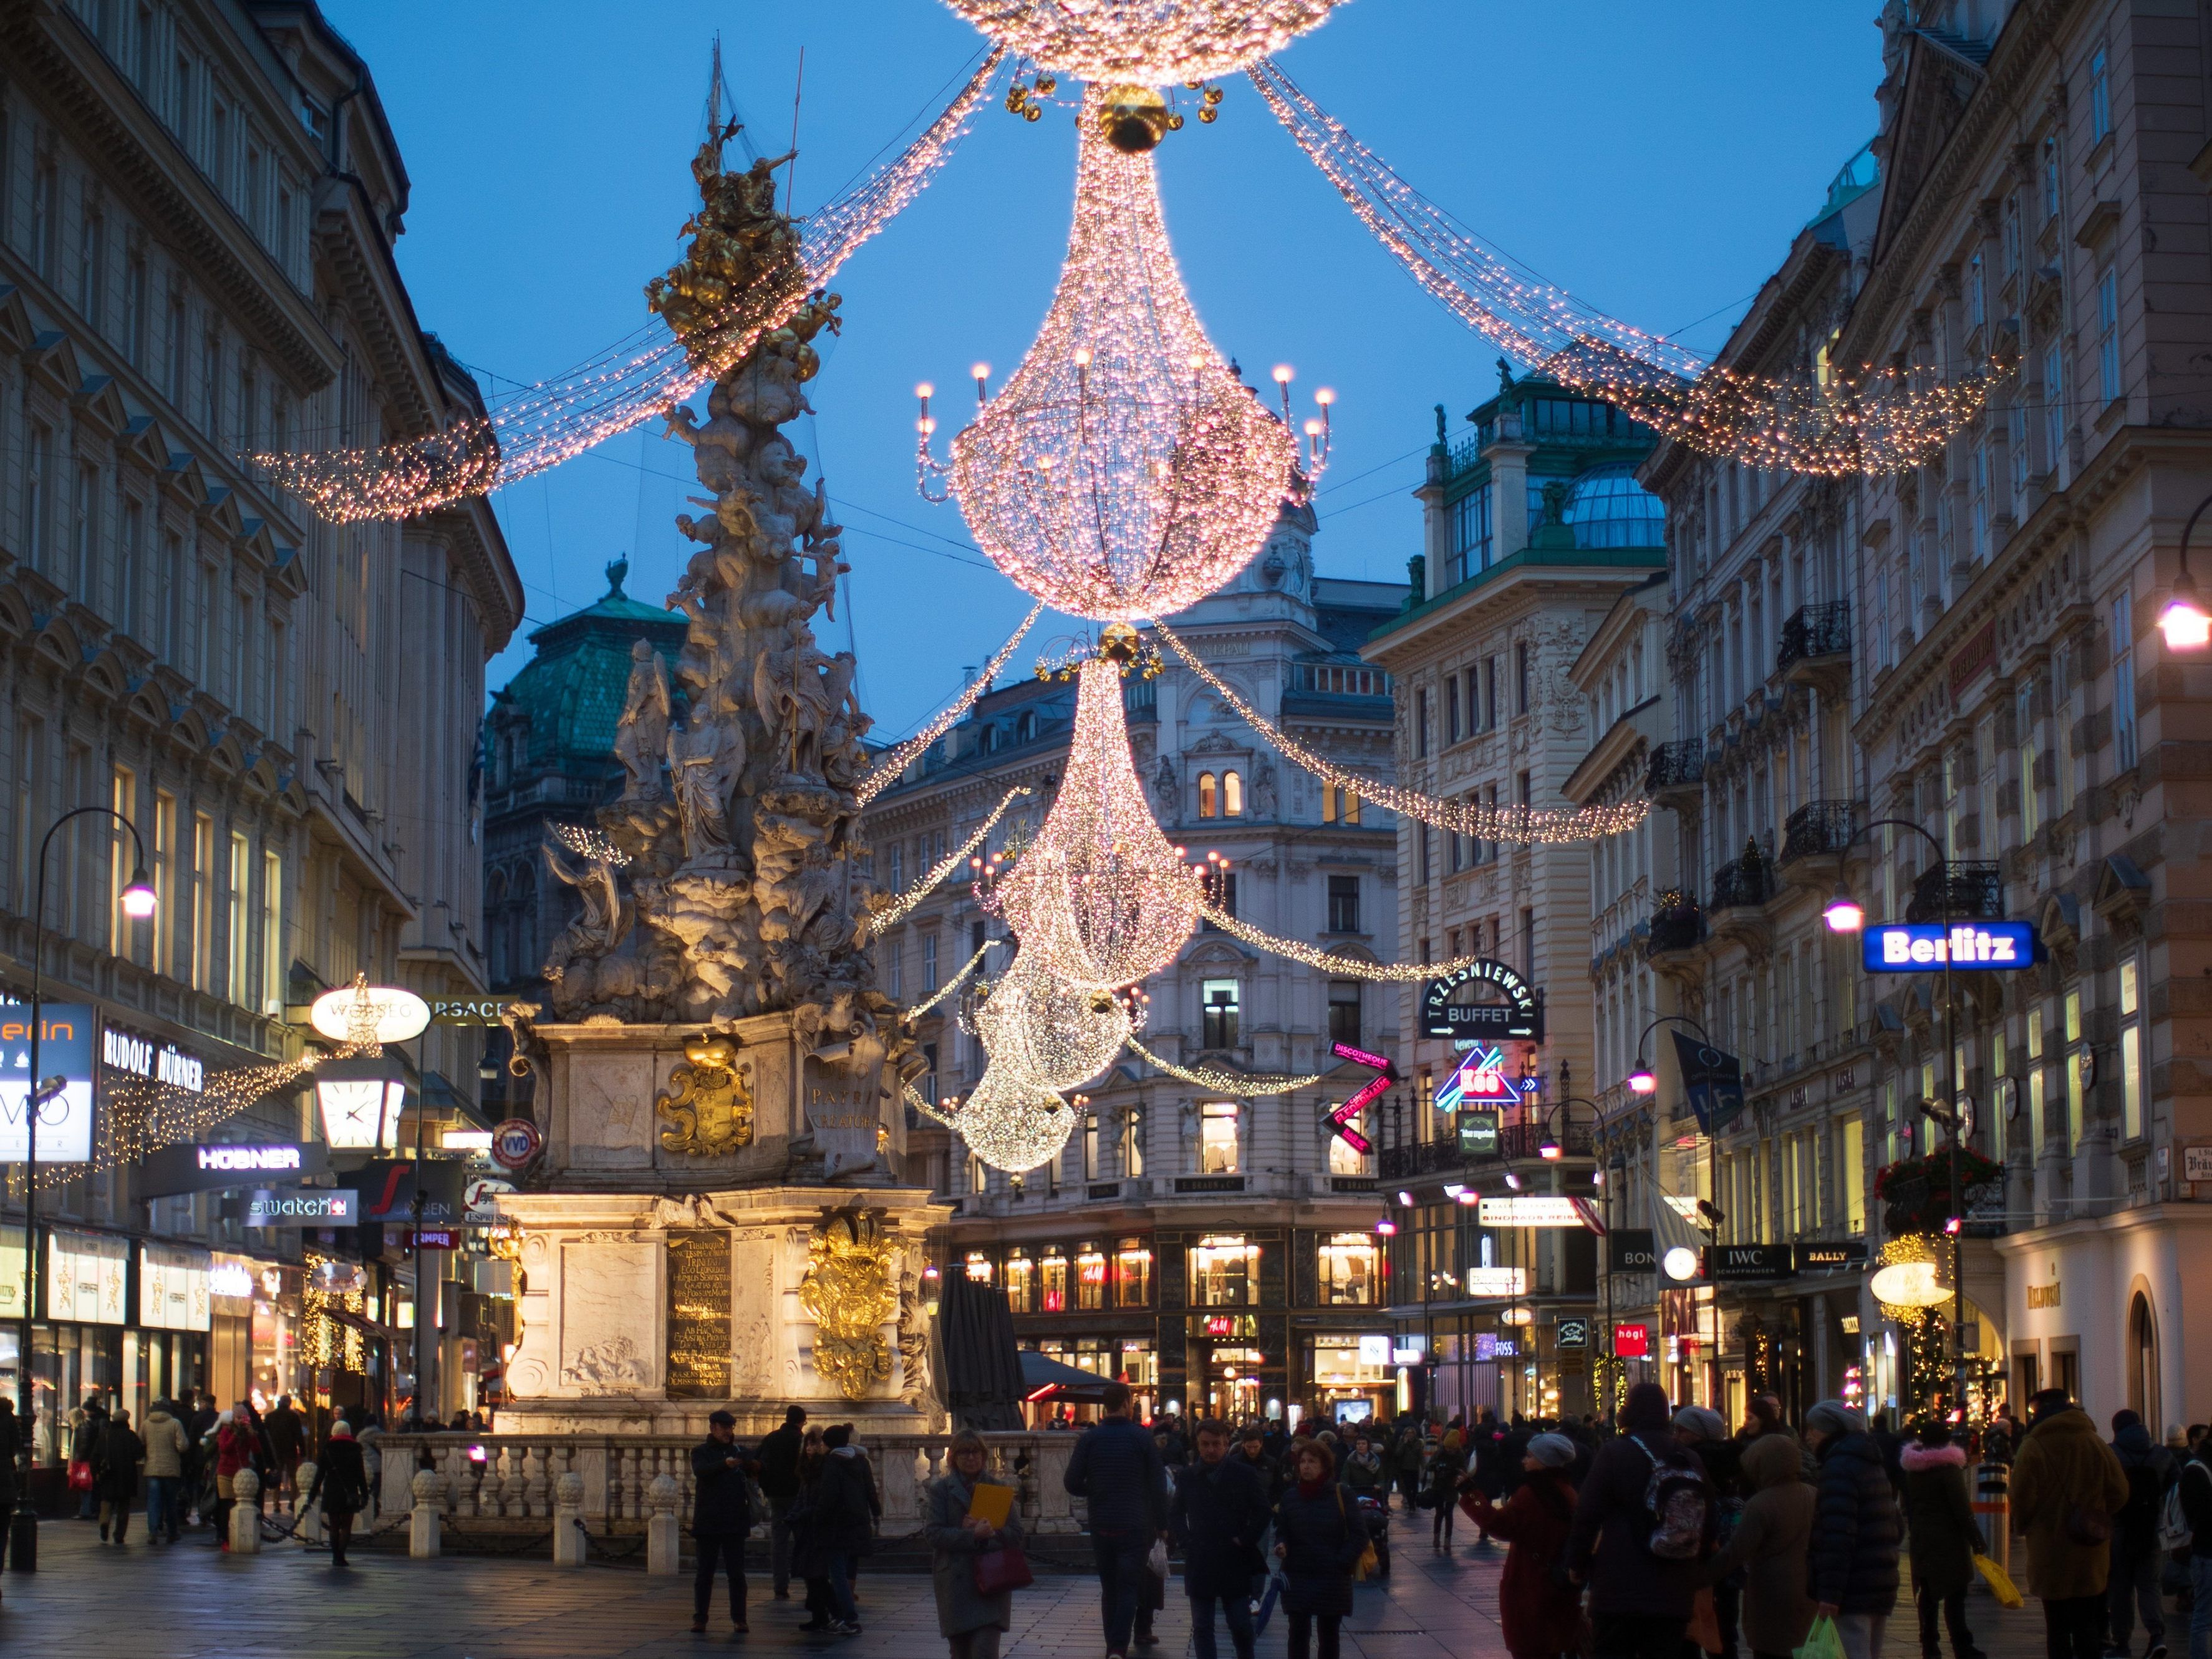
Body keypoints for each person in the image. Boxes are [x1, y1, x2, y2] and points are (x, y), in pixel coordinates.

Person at [1565, 1381, 1711, 1659]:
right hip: (1674, 1589)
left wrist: (1576, 1562)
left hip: (1620, 1588)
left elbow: (1587, 1514)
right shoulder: (1690, 1458)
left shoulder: (1615, 1453)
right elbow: (1707, 1519)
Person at [2013, 1389, 2131, 1659]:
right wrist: (2098, 1513)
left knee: (2056, 1626)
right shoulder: (2094, 1442)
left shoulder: (2033, 1445)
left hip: (2049, 1549)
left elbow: (2022, 1497)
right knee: (2087, 1623)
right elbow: (2120, 1491)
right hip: (2089, 1548)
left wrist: (2026, 1524)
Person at [1065, 1380, 1170, 1659]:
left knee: (1109, 1587)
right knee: (1128, 1587)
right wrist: (1162, 1524)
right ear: (1126, 1404)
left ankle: (1113, 1642)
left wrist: (1097, 1488)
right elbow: (1159, 1486)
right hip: (1135, 1524)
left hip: (1101, 1523)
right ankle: (1118, 1648)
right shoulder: (1141, 1438)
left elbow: (1072, 1482)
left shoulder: (1090, 1439)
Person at [1460, 1431, 1585, 1659]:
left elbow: (1499, 1525)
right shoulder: (1569, 1492)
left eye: (1530, 1456)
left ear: (1544, 1461)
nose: (1524, 1460)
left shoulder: (1532, 1494)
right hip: (1559, 1589)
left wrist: (1470, 1494)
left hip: (1530, 1586)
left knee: (1530, 1648)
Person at [1703, 1431, 1817, 1659]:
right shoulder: (1813, 1495)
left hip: (1770, 1594)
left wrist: (1701, 1577)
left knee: (1771, 1650)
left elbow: (1736, 1551)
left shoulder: (1761, 1504)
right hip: (1809, 1589)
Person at [1804, 1400, 1901, 1659]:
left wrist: (1830, 1594)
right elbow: (1895, 1524)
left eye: (1813, 1428)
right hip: (1878, 1581)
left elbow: (1838, 1535)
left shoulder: (1839, 1467)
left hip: (1854, 1587)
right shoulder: (1869, 1462)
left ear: (1829, 1431)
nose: (1808, 1436)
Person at [1172, 1420, 1270, 1659]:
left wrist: (1245, 1539)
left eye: (1216, 1444)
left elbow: (1263, 1510)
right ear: (1198, 1444)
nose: (1210, 1450)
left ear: (1227, 1444)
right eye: (1205, 1444)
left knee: (1240, 1624)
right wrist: (1186, 1542)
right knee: (1203, 1626)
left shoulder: (1244, 1474)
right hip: (1201, 1557)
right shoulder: (1187, 1477)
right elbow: (1174, 1512)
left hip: (1233, 1557)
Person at [926, 1429, 1026, 1659]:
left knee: (984, 1651)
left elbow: (1016, 1534)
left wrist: (989, 1533)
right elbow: (933, 1534)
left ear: (984, 1456)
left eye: (975, 1452)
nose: (971, 1458)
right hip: (956, 1584)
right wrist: (970, 1535)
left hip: (992, 1583)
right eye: (964, 1453)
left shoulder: (998, 1489)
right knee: (960, 1653)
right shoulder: (941, 1490)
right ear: (953, 1457)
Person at [1901, 1421, 1984, 1659]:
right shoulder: (1948, 1470)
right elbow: (1961, 1509)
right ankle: (1962, 1645)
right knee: (1955, 1595)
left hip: (1922, 1539)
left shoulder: (1914, 1470)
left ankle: (1929, 1645)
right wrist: (1977, 1540)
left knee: (1928, 1594)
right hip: (1948, 1541)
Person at [2109, 1410, 2175, 1659]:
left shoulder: (2111, 1453)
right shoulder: (2161, 1454)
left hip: (2119, 1530)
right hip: (2151, 1530)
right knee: (2150, 1586)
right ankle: (2157, 1635)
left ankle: (2122, 1644)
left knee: (2120, 1588)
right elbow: (2175, 1489)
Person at [689, 1409, 754, 1633]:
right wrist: (724, 1465)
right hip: (708, 1521)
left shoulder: (740, 1451)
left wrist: (753, 1464)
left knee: (736, 1574)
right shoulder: (700, 1452)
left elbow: (757, 1469)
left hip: (734, 1521)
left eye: (731, 1428)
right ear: (713, 1428)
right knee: (704, 1573)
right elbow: (701, 1471)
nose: (728, 1432)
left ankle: (740, 1618)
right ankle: (700, 1618)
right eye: (724, 1428)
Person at [812, 1423, 879, 1635]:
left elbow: (828, 1496)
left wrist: (817, 1519)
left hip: (835, 1524)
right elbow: (871, 1490)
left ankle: (847, 1617)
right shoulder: (860, 1461)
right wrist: (876, 1513)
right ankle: (842, 1616)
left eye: (823, 1441)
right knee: (843, 1570)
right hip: (856, 1522)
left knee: (837, 1573)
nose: (821, 1445)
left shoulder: (832, 1462)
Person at [756, 1404, 807, 1601]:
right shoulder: (801, 1440)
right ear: (801, 1421)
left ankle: (780, 1586)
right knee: (803, 1541)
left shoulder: (771, 1438)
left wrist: (766, 1487)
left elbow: (759, 1462)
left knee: (779, 1542)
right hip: (797, 1496)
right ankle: (810, 1582)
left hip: (776, 1496)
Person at [307, 1421, 370, 1569]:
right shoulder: (355, 1450)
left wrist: (312, 1495)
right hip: (350, 1492)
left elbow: (319, 1475)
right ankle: (342, 1555)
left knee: (334, 1526)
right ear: (348, 1432)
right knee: (347, 1526)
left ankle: (335, 1556)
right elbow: (361, 1476)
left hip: (332, 1491)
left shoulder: (327, 1450)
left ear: (334, 1433)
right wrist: (365, 1494)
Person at [790, 1426, 834, 1631]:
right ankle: (821, 1614)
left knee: (817, 1575)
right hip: (807, 1528)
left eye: (814, 1444)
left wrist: (801, 1513)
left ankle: (834, 1612)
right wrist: (794, 1513)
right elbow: (802, 1495)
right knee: (812, 1574)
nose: (810, 1448)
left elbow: (820, 1500)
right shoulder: (806, 1470)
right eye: (807, 1444)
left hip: (819, 1528)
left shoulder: (824, 1468)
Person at [140, 1398, 190, 1545]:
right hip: (170, 1469)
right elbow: (182, 1446)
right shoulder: (175, 1424)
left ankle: (153, 1532)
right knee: (170, 1501)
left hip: (152, 1468)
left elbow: (140, 1442)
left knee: (154, 1502)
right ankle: (172, 1532)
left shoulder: (146, 1424)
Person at [213, 1403, 257, 1549]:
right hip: (225, 1473)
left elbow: (257, 1450)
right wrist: (235, 1435)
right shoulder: (226, 1431)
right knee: (226, 1506)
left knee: (237, 1506)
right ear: (233, 1419)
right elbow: (224, 1449)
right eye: (238, 1418)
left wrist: (252, 1435)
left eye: (243, 1418)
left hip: (241, 1474)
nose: (240, 1421)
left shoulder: (248, 1432)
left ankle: (236, 1534)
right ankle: (225, 1537)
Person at [97, 1406, 144, 1544]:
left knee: (106, 1502)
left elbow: (95, 1456)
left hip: (108, 1475)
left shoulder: (104, 1435)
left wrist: (96, 1472)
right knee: (123, 1506)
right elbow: (139, 1454)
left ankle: (104, 1523)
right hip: (126, 1476)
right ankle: (119, 1535)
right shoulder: (131, 1435)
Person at [1425, 1431, 1464, 1551]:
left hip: (1452, 1487)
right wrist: (1436, 1466)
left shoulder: (1460, 1455)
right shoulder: (1439, 1453)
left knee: (1449, 1513)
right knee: (1439, 1513)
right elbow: (1429, 1466)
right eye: (1447, 1448)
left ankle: (1448, 1540)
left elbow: (1463, 1469)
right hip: (1439, 1486)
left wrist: (1456, 1471)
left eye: (1451, 1448)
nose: (1449, 1450)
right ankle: (1436, 1537)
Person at [72, 1395, 108, 1521]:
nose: (84, 1412)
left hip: (88, 1460)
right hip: (98, 1458)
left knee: (86, 1487)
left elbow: (85, 1444)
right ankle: (96, 1510)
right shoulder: (103, 1419)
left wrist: (79, 1459)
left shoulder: (87, 1425)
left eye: (85, 1410)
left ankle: (87, 1511)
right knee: (96, 1486)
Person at [265, 1394, 304, 1497]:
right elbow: (299, 1435)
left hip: (276, 1451)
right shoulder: (294, 1416)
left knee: (276, 1476)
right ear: (289, 1403)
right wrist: (303, 1450)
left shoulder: (270, 1416)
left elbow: (266, 1436)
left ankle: (276, 1503)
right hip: (290, 1450)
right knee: (293, 1476)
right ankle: (292, 1500)